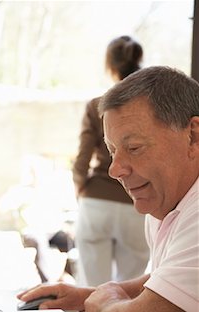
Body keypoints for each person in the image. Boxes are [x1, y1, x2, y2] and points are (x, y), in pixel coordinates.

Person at [17, 66, 199, 312]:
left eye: (133, 148)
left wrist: (102, 302)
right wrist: (89, 295)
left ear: (193, 136)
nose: (116, 170)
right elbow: (169, 280)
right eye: (114, 151)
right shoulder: (170, 204)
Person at [73, 36, 149, 286]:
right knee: (127, 293)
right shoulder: (152, 109)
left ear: (111, 67)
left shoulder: (97, 106)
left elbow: (81, 160)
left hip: (96, 203)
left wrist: (81, 189)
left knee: (90, 291)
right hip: (136, 203)